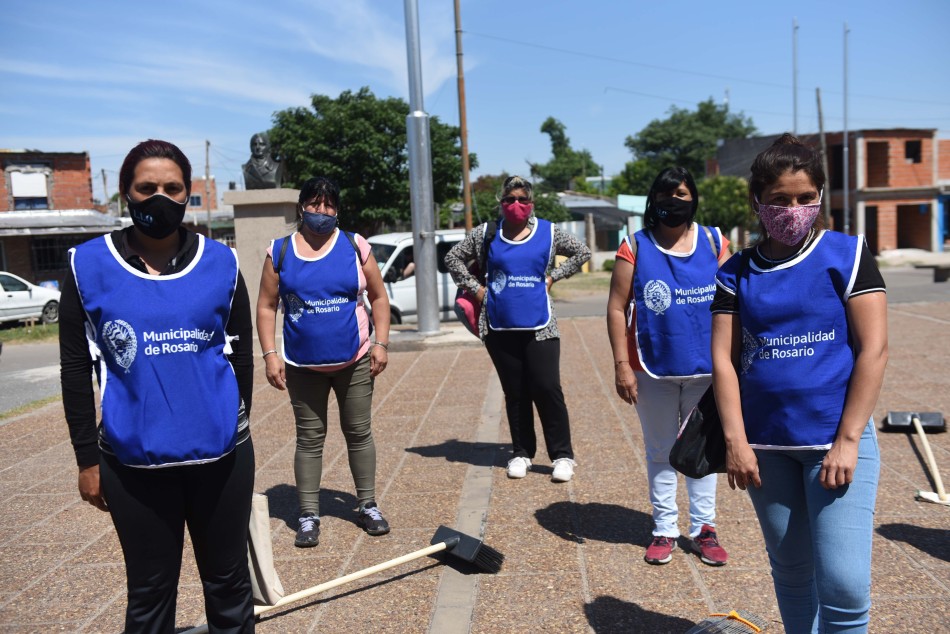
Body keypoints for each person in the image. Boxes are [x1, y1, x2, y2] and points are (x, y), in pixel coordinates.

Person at [59, 139, 256, 633]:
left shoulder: (221, 263)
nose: (159, 198)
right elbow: (74, 368)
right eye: (147, 188)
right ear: (126, 193)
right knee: (149, 594)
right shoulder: (87, 265)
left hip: (222, 459)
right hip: (133, 465)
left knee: (230, 586)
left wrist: (233, 425)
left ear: (189, 194)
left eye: (172, 188)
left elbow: (241, 357)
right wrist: (87, 459)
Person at [710, 134, 887, 632]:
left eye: (806, 198)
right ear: (757, 203)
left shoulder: (847, 256)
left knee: (845, 586)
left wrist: (848, 441)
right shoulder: (736, 272)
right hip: (766, 447)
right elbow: (723, 360)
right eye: (780, 200)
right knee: (791, 574)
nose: (793, 209)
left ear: (821, 197)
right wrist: (736, 442)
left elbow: (874, 349)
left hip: (835, 440)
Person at [257, 176, 392, 548]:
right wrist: (270, 355)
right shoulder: (280, 252)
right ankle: (308, 514)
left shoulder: (354, 245)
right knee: (309, 439)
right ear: (302, 207)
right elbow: (267, 307)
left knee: (359, 432)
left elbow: (379, 298)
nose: (322, 212)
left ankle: (367, 505)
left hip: (355, 360)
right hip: (303, 366)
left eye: (329, 205)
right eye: (315, 204)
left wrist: (380, 343)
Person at [606, 166, 731, 567]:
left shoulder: (714, 241)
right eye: (666, 195)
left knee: (701, 451)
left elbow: (734, 301)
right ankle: (663, 529)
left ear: (693, 197)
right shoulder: (636, 246)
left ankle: (704, 529)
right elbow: (615, 307)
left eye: (682, 194)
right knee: (660, 452)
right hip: (652, 368)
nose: (674, 202)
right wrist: (621, 365)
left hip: (706, 370)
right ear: (653, 201)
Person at [445, 175, 591, 483]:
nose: (516, 205)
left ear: (531, 203)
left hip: (541, 326)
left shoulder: (549, 232)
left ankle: (562, 456)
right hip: (499, 325)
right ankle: (522, 452)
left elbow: (582, 252)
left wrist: (554, 276)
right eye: (510, 199)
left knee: (547, 388)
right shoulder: (486, 233)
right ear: (501, 203)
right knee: (516, 392)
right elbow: (452, 257)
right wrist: (476, 289)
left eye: (522, 200)